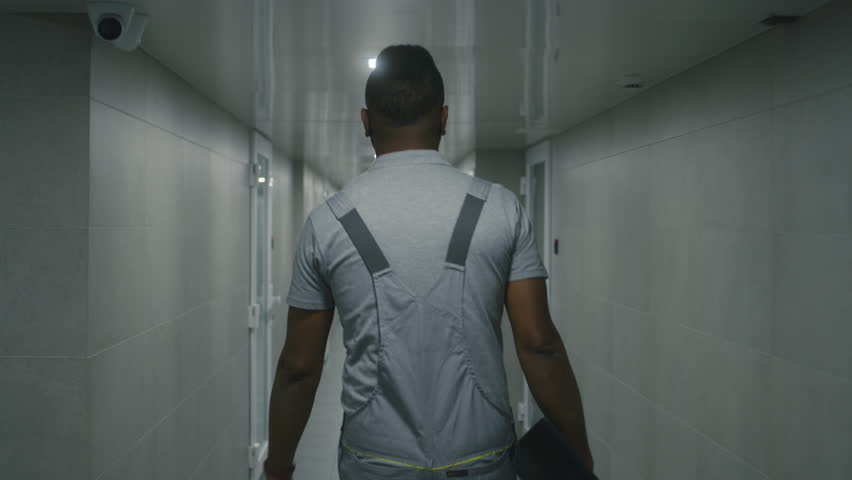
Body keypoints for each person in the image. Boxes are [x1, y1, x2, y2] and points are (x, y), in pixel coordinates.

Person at [265, 44, 593, 480]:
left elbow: (298, 368)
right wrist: (578, 454)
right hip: (482, 458)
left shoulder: (327, 223)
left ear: (365, 121)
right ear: (444, 118)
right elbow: (539, 345)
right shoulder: (500, 209)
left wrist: (278, 466)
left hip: (374, 461)